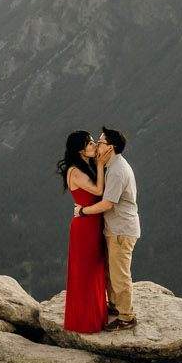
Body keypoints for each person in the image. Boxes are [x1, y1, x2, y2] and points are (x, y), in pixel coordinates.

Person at [74, 126, 139, 330]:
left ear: (110, 147)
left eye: (100, 141)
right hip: (116, 228)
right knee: (111, 272)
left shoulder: (118, 171)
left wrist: (83, 211)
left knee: (120, 275)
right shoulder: (113, 165)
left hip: (121, 230)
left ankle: (127, 317)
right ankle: (115, 306)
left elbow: (107, 203)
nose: (97, 144)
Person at [56, 129, 109, 333]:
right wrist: (101, 164)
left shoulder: (84, 166)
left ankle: (96, 317)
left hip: (93, 222)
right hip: (85, 226)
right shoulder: (75, 171)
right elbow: (98, 191)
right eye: (90, 144)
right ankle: (85, 322)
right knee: (86, 274)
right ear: (80, 150)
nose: (94, 145)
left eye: (94, 141)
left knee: (95, 271)